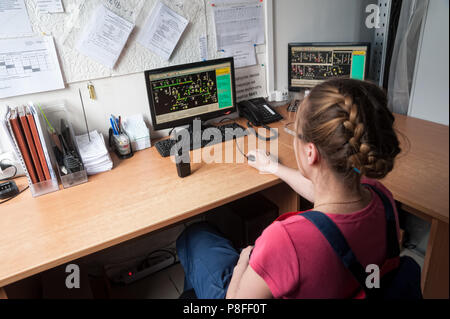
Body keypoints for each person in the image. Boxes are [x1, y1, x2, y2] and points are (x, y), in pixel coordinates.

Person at [176, 78, 402, 299]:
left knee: (194, 236)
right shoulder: (382, 198)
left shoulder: (286, 239)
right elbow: (327, 195)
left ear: (310, 152)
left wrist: (243, 263)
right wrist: (273, 167)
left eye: (296, 133)